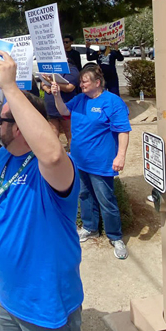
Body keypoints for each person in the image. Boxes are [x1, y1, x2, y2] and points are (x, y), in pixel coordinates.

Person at [0, 50, 83, 331]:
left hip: (43, 301)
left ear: (23, 126)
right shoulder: (2, 156)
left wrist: (11, 87)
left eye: (3, 119)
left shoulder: (52, 170)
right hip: (3, 290)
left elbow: (52, 154)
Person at [52, 66, 132, 259]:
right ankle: (90, 227)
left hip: (101, 161)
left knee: (106, 199)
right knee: (84, 195)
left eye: (84, 81)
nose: (81, 85)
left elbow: (123, 130)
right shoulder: (79, 100)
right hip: (79, 160)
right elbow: (63, 110)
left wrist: (120, 156)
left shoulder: (112, 102)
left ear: (97, 83)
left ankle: (115, 236)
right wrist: (56, 95)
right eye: (80, 82)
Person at [40, 62, 80, 151]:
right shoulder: (49, 68)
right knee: (53, 130)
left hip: (65, 105)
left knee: (68, 130)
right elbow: (43, 83)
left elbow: (70, 87)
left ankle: (73, 152)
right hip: (50, 105)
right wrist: (48, 89)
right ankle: (55, 152)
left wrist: (52, 82)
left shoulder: (71, 69)